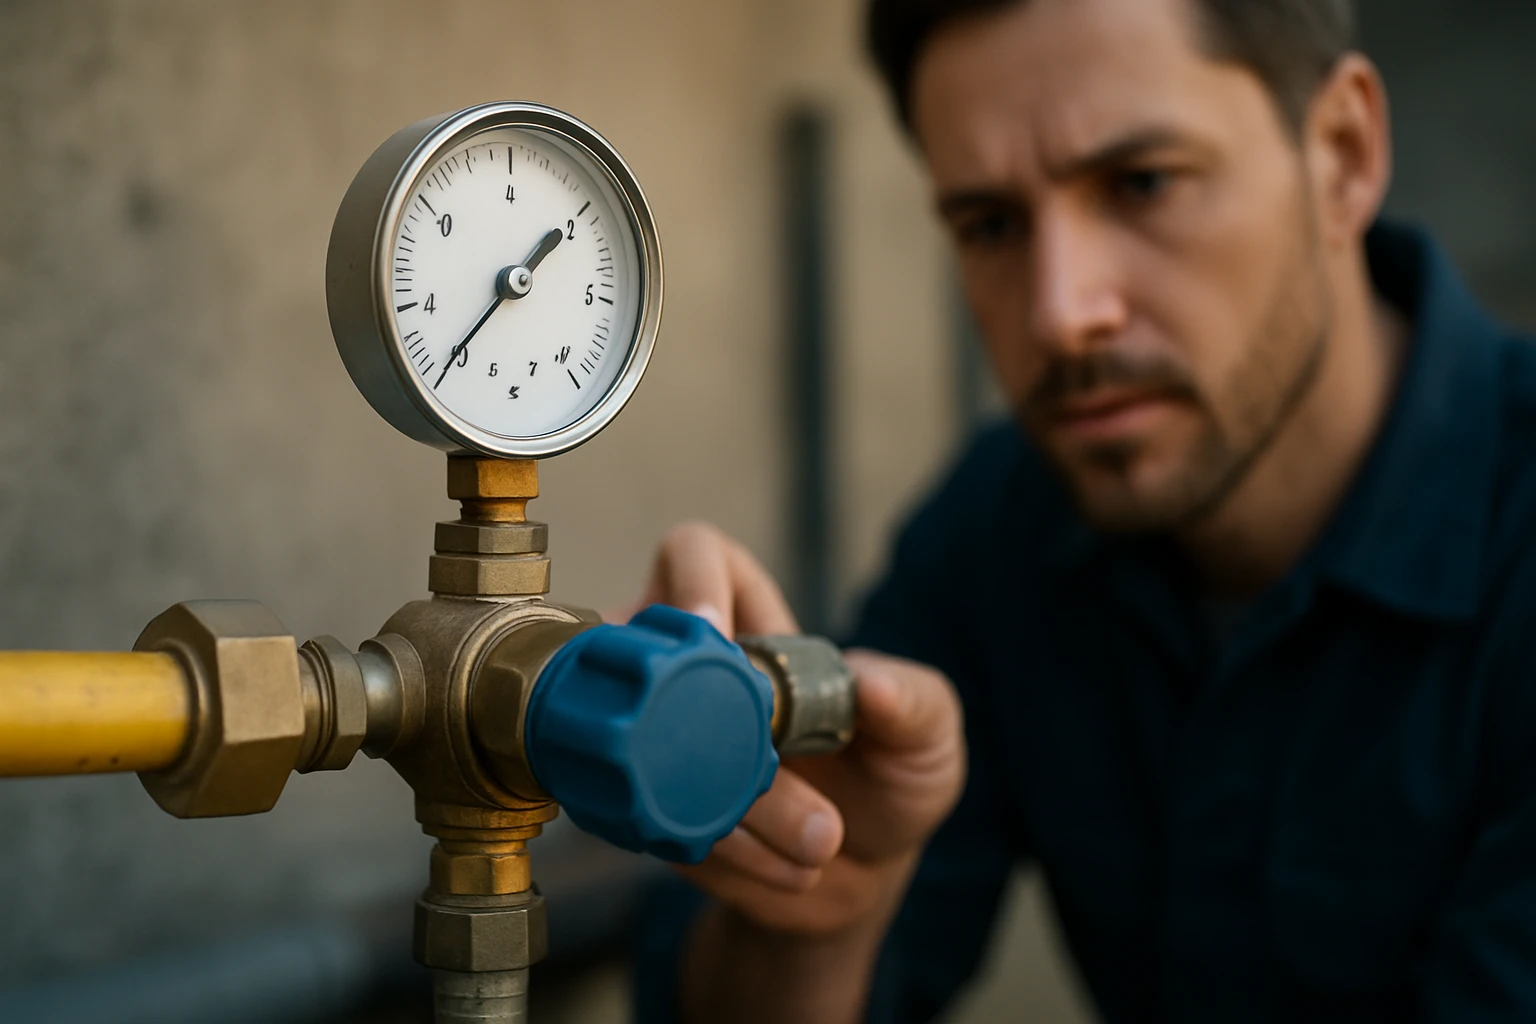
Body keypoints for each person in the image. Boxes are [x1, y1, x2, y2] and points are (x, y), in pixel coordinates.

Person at [632, 0, 1536, 1020]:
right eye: (991, 225)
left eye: (1142, 183)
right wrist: (814, 914)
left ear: (1342, 154)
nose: (1063, 312)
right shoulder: (1002, 527)